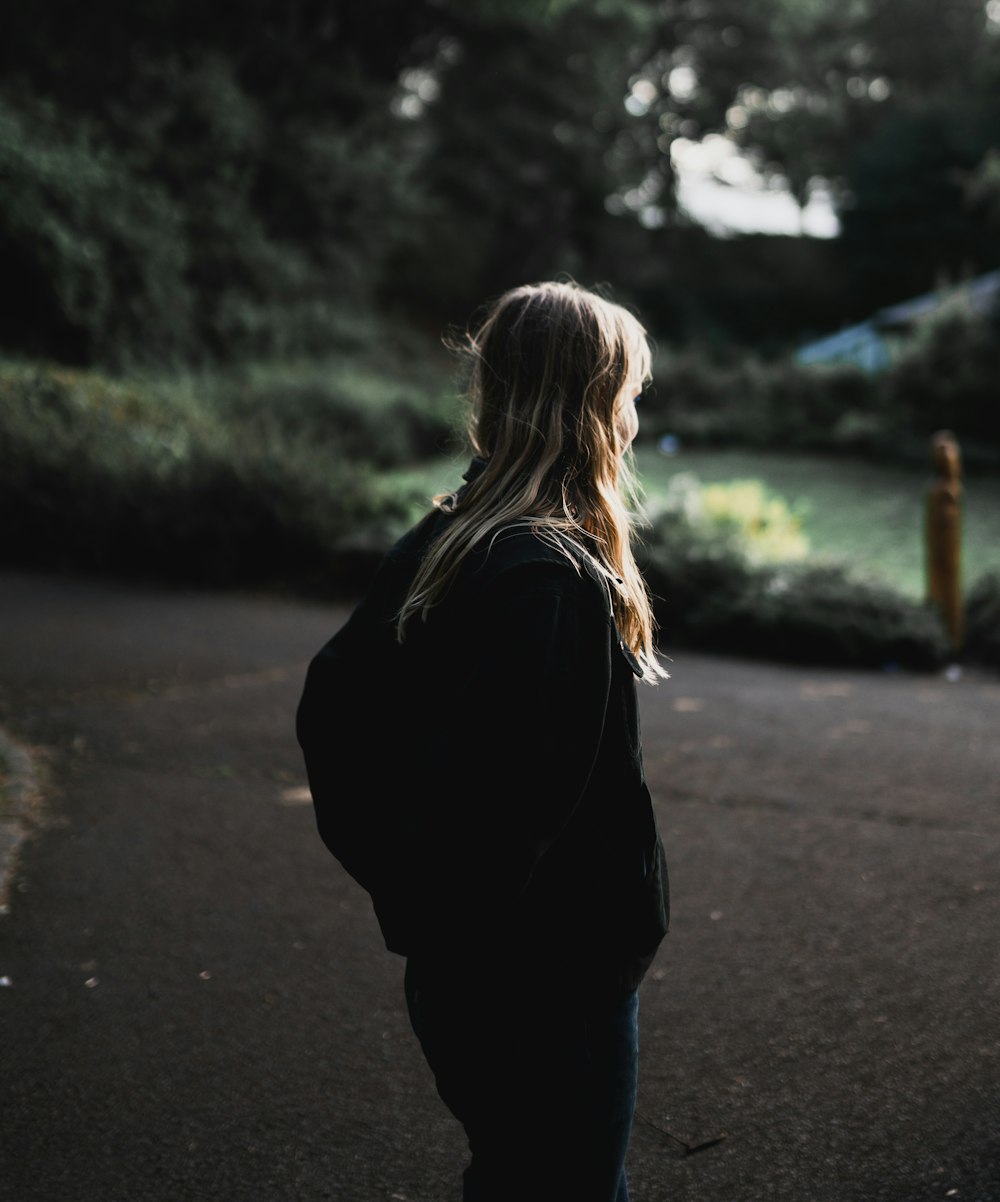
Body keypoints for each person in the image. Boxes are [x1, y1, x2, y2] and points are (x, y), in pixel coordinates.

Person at [297, 280, 670, 1202]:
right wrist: (442, 906)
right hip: (544, 987)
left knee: (516, 1176)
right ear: (589, 405)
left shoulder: (454, 534)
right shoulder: (545, 580)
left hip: (478, 977)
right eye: (625, 393)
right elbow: (503, 810)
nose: (631, 418)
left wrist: (414, 891)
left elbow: (334, 705)